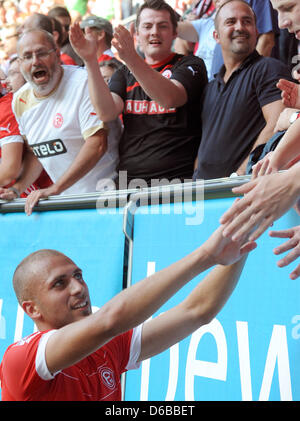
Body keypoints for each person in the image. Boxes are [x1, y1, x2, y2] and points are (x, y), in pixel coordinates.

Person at [0, 225, 256, 400]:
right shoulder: (22, 359)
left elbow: (196, 311)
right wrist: (205, 255)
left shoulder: (107, 344)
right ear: (31, 309)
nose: (79, 288)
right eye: (60, 283)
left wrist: (240, 244)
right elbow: (110, 320)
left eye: (78, 275)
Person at [69, 0, 208, 187]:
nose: (154, 32)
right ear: (137, 33)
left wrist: (132, 58)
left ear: (175, 32)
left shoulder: (191, 64)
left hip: (177, 182)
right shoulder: (123, 73)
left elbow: (170, 98)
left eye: (163, 26)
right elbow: (106, 111)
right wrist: (90, 61)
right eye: (147, 26)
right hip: (129, 182)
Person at [219, 0, 300, 281]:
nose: (281, 24)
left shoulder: (265, 68)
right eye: (277, 10)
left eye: (289, 7)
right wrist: (274, 160)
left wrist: (291, 179)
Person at [0, 29, 121, 215]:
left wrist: (56, 188)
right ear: (20, 64)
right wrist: (17, 189)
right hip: (67, 204)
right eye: (27, 57)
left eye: (41, 53)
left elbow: (97, 144)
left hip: (107, 198)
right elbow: (37, 153)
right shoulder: (20, 100)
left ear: (57, 55)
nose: (35, 61)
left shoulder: (83, 83)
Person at [192, 0, 291, 180]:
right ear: (216, 36)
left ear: (256, 31)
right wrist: (196, 174)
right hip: (204, 194)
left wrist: (239, 174)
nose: (240, 27)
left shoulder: (269, 69)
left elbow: (277, 124)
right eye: (231, 22)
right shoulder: (211, 87)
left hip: (240, 191)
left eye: (247, 22)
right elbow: (205, 141)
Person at [0, 57, 52, 198]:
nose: (7, 81)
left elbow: (9, 170)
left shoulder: (6, 106)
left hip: (37, 194)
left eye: (13, 74)